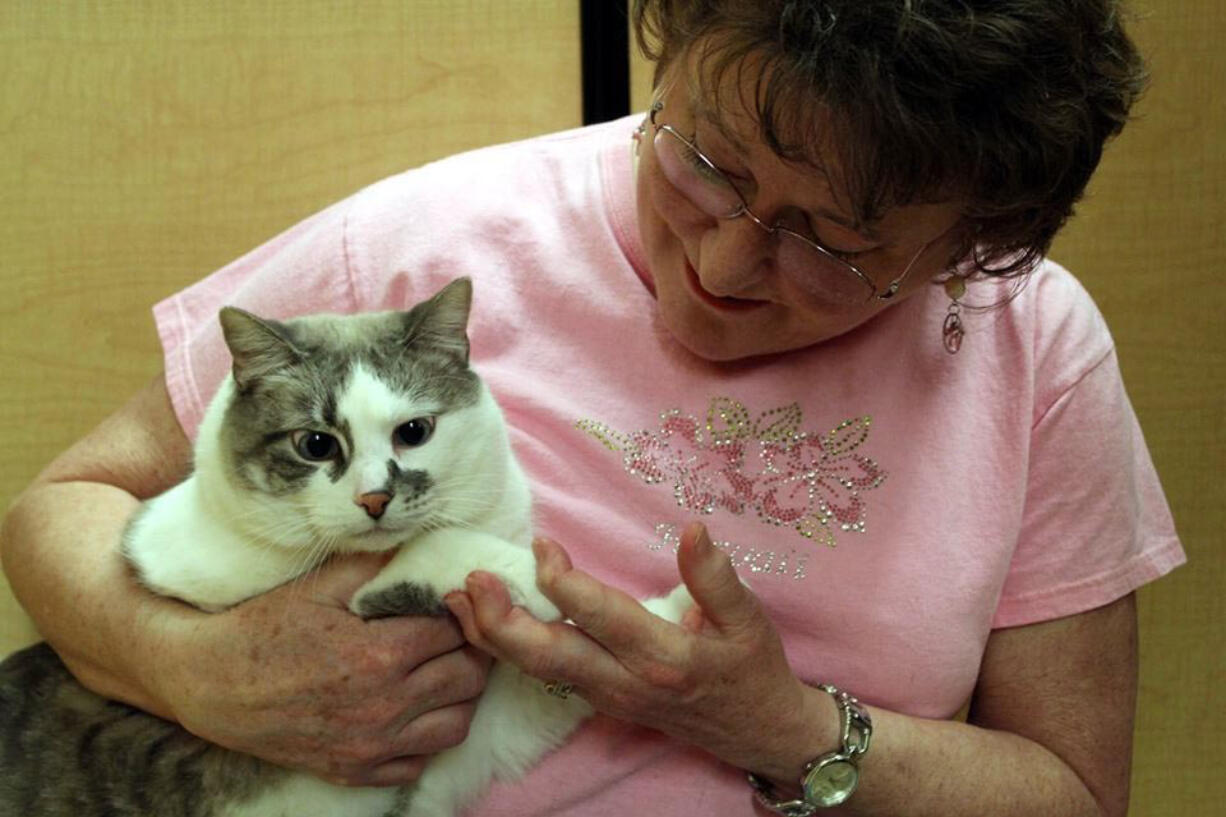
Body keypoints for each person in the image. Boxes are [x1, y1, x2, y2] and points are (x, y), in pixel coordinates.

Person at [0, 1, 1184, 815]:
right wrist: (188, 663)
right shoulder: (425, 249)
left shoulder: (1034, 343)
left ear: (967, 248)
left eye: (833, 244)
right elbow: (60, 505)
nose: (721, 264)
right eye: (705, 163)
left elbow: (1071, 793)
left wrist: (782, 727)